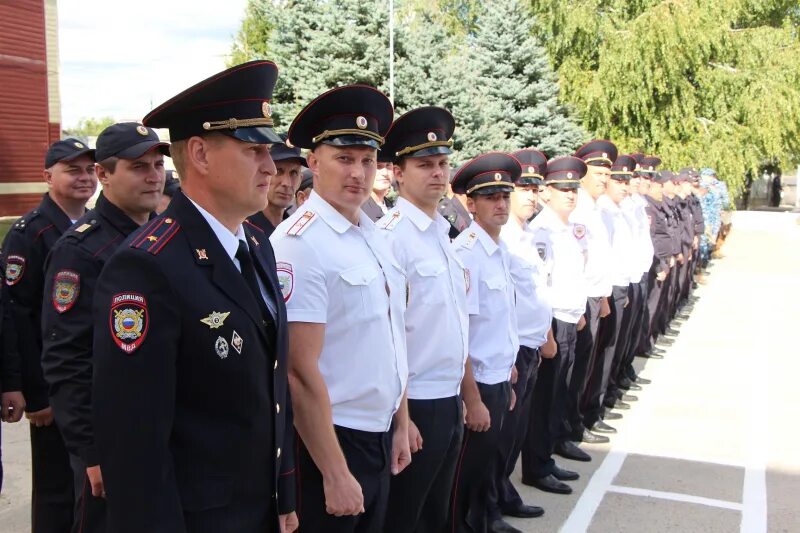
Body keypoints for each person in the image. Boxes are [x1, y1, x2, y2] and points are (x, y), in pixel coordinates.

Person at [91, 60, 296, 532]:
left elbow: (272, 385)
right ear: (200, 154)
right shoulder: (146, 266)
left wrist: (283, 493)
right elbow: (134, 444)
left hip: (257, 507)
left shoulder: (257, 244)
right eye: (254, 150)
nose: (271, 166)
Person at [270, 84, 409, 533]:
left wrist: (400, 420)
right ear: (313, 163)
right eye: (343, 159)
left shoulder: (374, 234)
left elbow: (391, 337)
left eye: (367, 160)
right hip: (333, 438)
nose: (358, 172)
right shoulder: (299, 243)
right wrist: (333, 471)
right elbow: (296, 370)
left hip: (379, 429)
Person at [41, 122, 170, 533]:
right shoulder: (80, 250)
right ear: (104, 175)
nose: (153, 176)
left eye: (157, 164)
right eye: (138, 167)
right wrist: (91, 452)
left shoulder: (161, 238)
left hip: (159, 429)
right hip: (111, 440)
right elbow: (67, 356)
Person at [375, 106, 469, 533]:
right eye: (424, 164)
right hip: (417, 405)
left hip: (447, 397)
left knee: (437, 514)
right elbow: (389, 336)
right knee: (406, 517)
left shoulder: (441, 233)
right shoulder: (393, 236)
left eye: (443, 163)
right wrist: (403, 416)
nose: (437, 173)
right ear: (397, 172)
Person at [1, 137, 97, 532]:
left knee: (82, 491)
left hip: (83, 385)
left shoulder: (91, 226)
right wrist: (33, 391)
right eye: (72, 170)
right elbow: (15, 316)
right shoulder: (30, 233)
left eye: (90, 169)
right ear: (47, 176)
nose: (84, 177)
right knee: (56, 492)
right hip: (50, 388)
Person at [450, 152, 521, 533]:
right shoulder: (467, 254)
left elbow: (499, 321)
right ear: (470, 203)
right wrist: (473, 397)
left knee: (485, 468)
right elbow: (462, 333)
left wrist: (507, 371)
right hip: (475, 382)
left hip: (497, 377)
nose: (500, 204)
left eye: (505, 196)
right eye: (490, 197)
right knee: (465, 477)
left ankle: (486, 520)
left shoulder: (499, 249)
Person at [490, 148, 557, 533]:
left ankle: (503, 496)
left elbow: (535, 293)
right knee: (501, 438)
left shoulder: (527, 235)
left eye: (535, 188)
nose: (530, 195)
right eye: (522, 188)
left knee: (514, 434)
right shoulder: (503, 239)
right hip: (512, 349)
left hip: (529, 344)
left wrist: (544, 335)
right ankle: (491, 506)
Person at [523, 156, 590, 494]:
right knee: (545, 399)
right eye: (561, 188)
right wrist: (549, 330)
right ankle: (537, 464)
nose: (569, 194)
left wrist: (579, 310)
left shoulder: (568, 228)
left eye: (573, 188)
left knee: (558, 393)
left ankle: (546, 456)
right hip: (552, 321)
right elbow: (542, 285)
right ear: (547, 193)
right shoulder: (541, 232)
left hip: (568, 317)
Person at [569, 140, 616, 443]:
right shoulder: (577, 209)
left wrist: (605, 296)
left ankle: (578, 422)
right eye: (597, 172)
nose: (603, 179)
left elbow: (601, 258)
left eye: (605, 174)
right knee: (573, 374)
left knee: (586, 368)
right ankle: (571, 428)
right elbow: (574, 264)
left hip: (596, 295)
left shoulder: (599, 209)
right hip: (580, 299)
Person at [248, 135, 307, 235]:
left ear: (300, 180)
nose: (286, 183)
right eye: (279, 171)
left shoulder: (295, 229)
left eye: (293, 173)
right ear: (265, 172)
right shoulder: (246, 229)